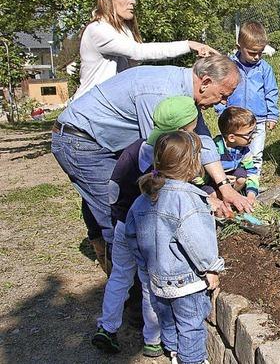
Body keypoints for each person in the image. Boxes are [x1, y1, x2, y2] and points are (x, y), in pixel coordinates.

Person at [51, 54, 250, 273]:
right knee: (118, 212)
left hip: (104, 140)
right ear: (205, 82)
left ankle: (116, 264)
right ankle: (130, 288)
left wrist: (223, 186)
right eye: (223, 95)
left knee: (112, 195)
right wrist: (204, 196)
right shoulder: (161, 94)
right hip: (82, 141)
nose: (222, 103)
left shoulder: (185, 95)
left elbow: (201, 138)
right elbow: (162, 161)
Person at [92, 96, 201, 356]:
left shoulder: (133, 150)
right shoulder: (173, 156)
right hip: (154, 233)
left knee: (120, 276)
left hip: (123, 224)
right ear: (184, 130)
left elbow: (114, 188)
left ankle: (107, 327)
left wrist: (118, 217)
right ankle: (152, 339)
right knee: (150, 284)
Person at [127, 131, 224, 364]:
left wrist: (145, 266)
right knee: (191, 325)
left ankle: (173, 352)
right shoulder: (188, 198)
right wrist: (211, 268)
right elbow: (197, 240)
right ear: (193, 163)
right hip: (186, 282)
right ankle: (192, 361)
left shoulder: (145, 196)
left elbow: (132, 233)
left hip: (157, 279)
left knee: (167, 319)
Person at [75, 0, 215, 99]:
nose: (133, 1)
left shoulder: (124, 30)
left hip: (108, 107)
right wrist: (189, 45)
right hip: (88, 111)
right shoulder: (98, 30)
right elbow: (138, 52)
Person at [216, 21, 279, 176]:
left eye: (260, 53)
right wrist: (221, 111)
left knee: (255, 154)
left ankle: (253, 184)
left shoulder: (264, 69)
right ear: (239, 47)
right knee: (231, 152)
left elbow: (271, 92)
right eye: (252, 53)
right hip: (234, 120)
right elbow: (221, 90)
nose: (256, 57)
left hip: (258, 119)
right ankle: (235, 179)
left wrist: (272, 115)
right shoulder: (229, 66)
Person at [214, 107, 260, 203]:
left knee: (241, 178)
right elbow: (205, 171)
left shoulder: (244, 150)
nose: (253, 137)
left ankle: (232, 197)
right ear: (231, 138)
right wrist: (222, 179)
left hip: (232, 177)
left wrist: (251, 194)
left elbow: (251, 171)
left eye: (253, 132)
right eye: (249, 134)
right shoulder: (215, 148)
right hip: (214, 178)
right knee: (211, 194)